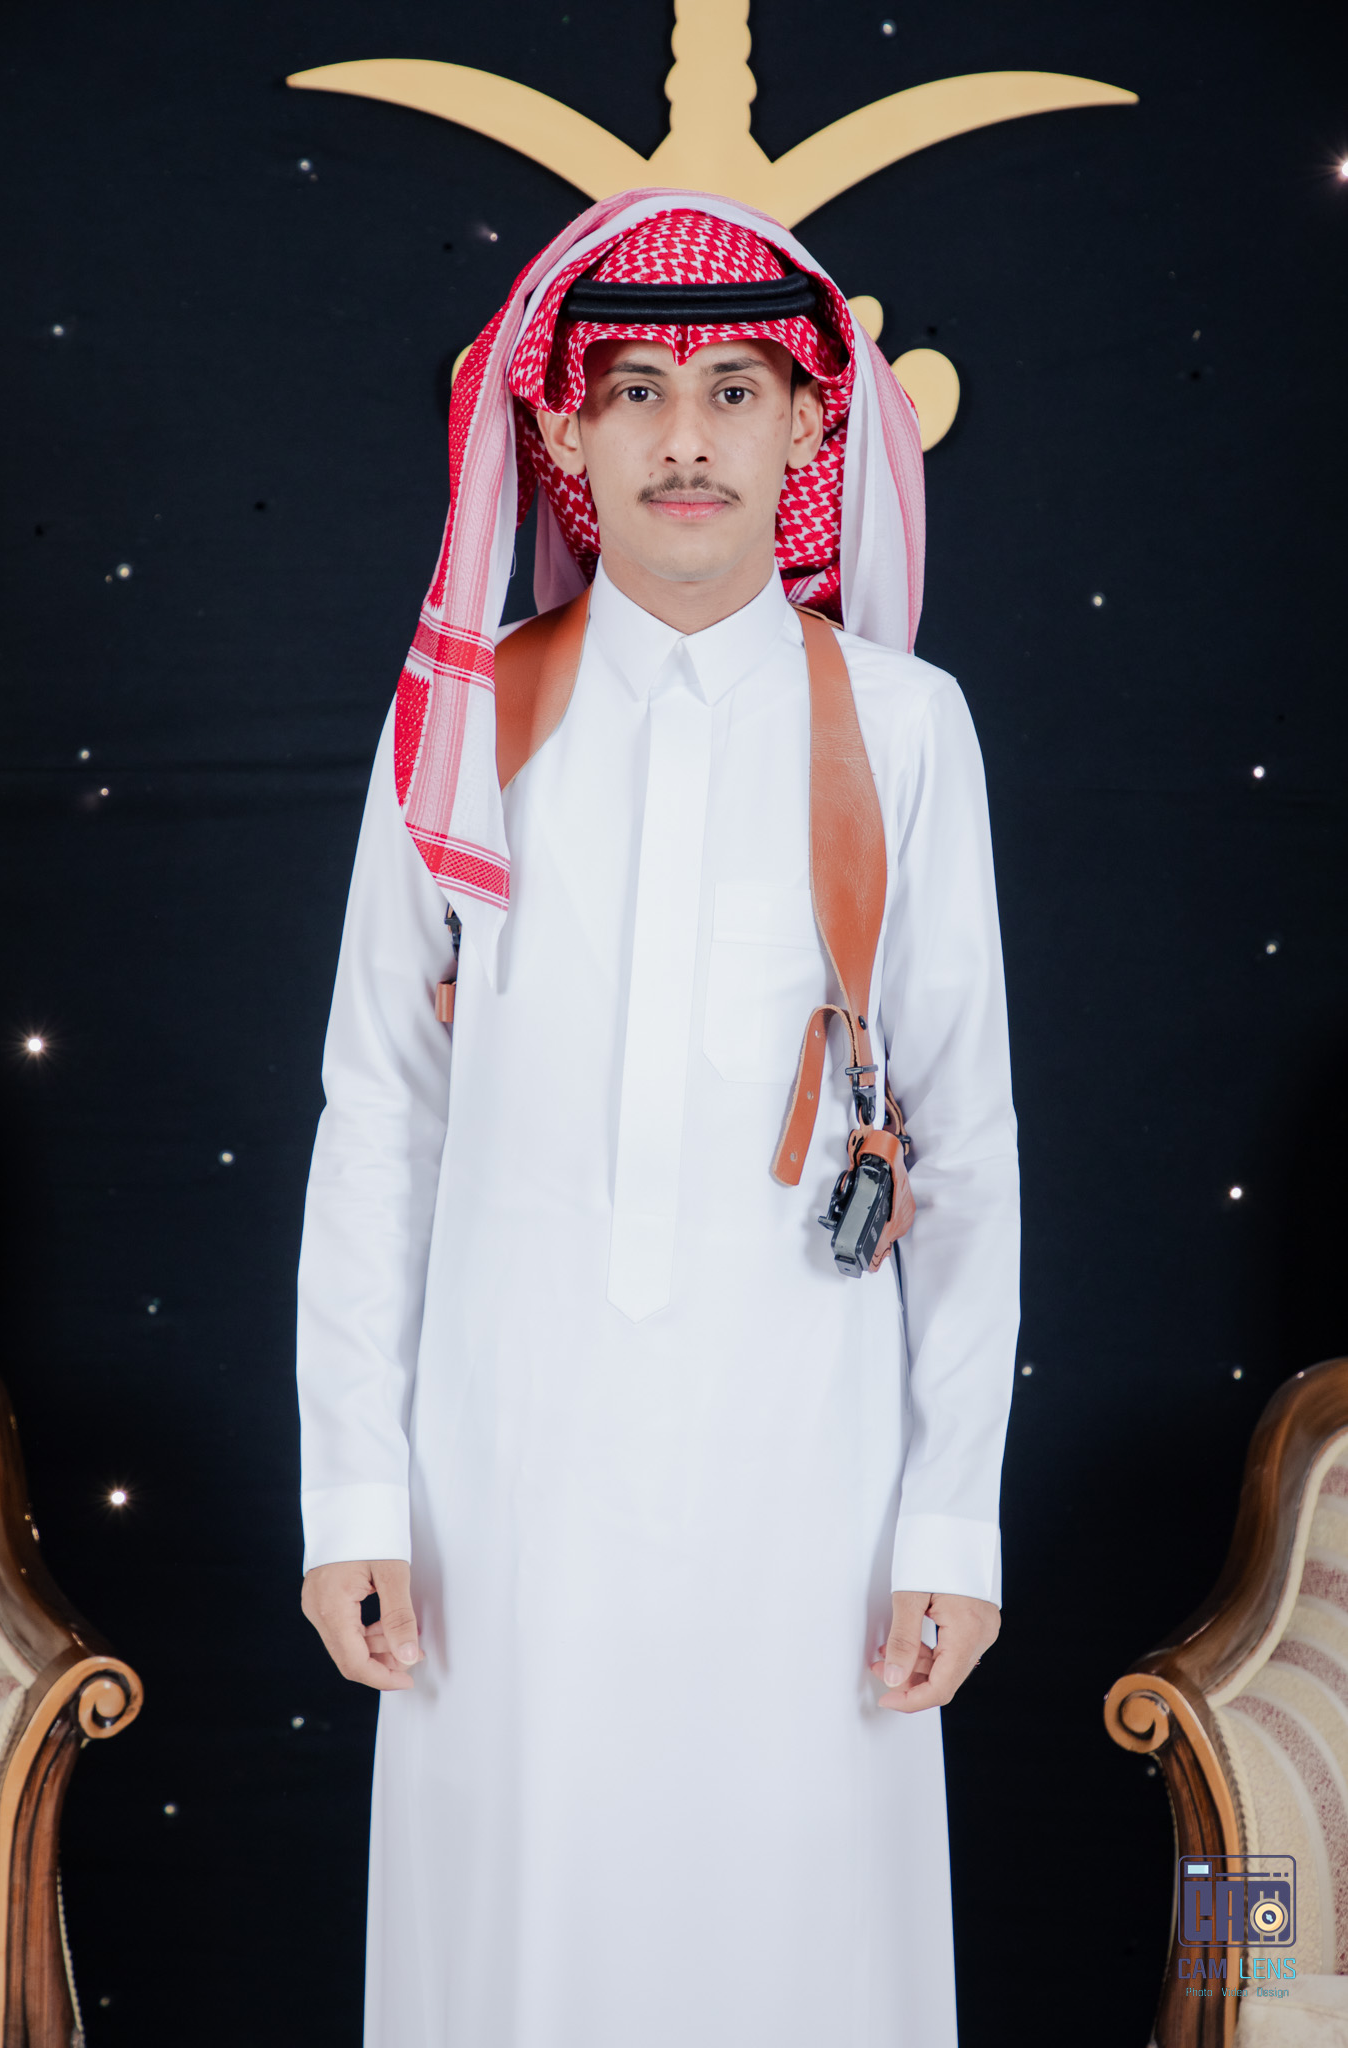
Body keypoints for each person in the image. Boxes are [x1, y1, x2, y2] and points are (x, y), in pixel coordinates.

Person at [296, 190, 1019, 2048]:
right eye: (631, 390)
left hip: (811, 1492)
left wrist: (948, 1520)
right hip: (500, 1491)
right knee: (512, 1953)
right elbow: (377, 1111)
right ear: (561, 427)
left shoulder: (905, 729)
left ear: (806, 425)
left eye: (728, 390)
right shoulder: (458, 722)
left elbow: (963, 1147)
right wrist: (354, 1490)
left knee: (799, 1951)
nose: (682, 437)